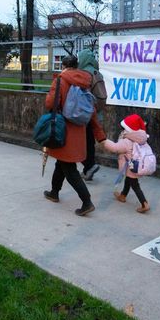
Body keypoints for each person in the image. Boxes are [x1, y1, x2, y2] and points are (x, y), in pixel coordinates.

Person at [42, 54, 107, 216]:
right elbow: (91, 110)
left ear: (63, 65)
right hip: (79, 133)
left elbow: (50, 103)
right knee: (61, 163)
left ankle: (87, 201)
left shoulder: (60, 80)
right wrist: (100, 135)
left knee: (69, 169)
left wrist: (50, 95)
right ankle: (54, 192)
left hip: (63, 132)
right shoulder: (84, 82)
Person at [101, 114, 151, 213]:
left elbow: (115, 147)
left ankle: (144, 203)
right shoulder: (140, 139)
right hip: (135, 165)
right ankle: (123, 195)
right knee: (128, 180)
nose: (122, 130)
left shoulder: (127, 140)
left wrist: (104, 141)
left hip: (130, 165)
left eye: (124, 128)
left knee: (134, 185)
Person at [77, 49, 107, 181]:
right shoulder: (97, 72)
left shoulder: (84, 73)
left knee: (79, 141)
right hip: (94, 114)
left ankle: (89, 165)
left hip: (84, 113)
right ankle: (88, 169)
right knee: (89, 141)